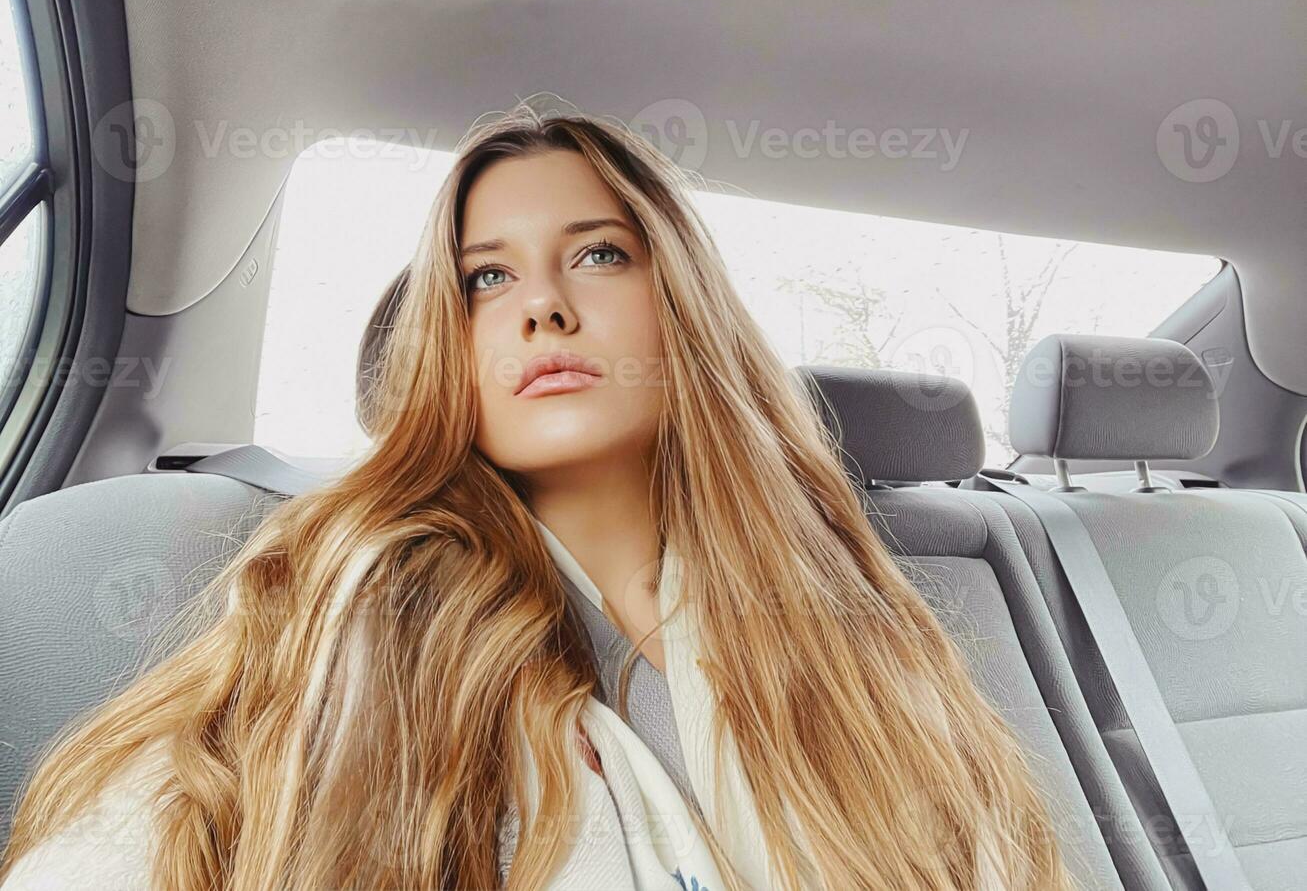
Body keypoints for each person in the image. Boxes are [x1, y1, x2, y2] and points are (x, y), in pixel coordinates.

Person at [0, 96, 1073, 890]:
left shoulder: (857, 632)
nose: (542, 307)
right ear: (447, 348)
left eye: (598, 254)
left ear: (680, 304)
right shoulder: (357, 605)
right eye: (486, 277)